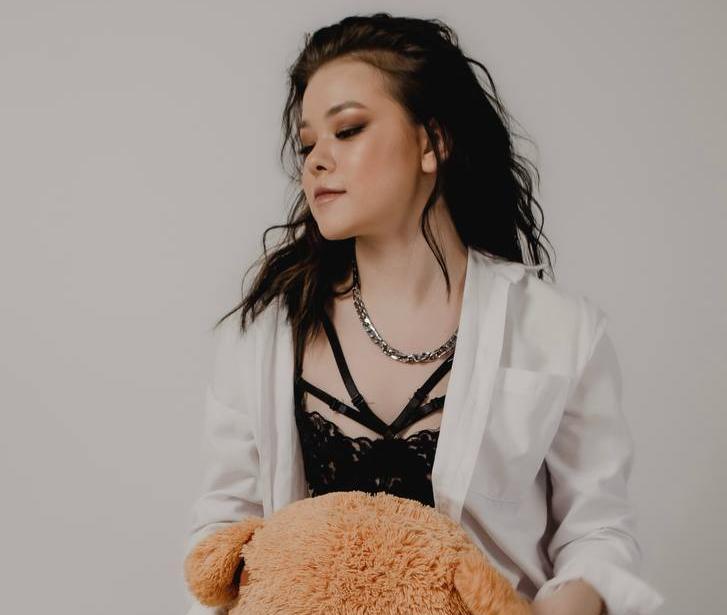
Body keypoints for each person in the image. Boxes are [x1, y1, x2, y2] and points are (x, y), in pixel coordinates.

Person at [183, 13, 664, 615]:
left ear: (433, 141)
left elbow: (598, 533)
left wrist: (566, 603)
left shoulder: (559, 331)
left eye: (348, 130)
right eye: (307, 144)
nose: (316, 161)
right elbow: (223, 534)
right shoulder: (265, 334)